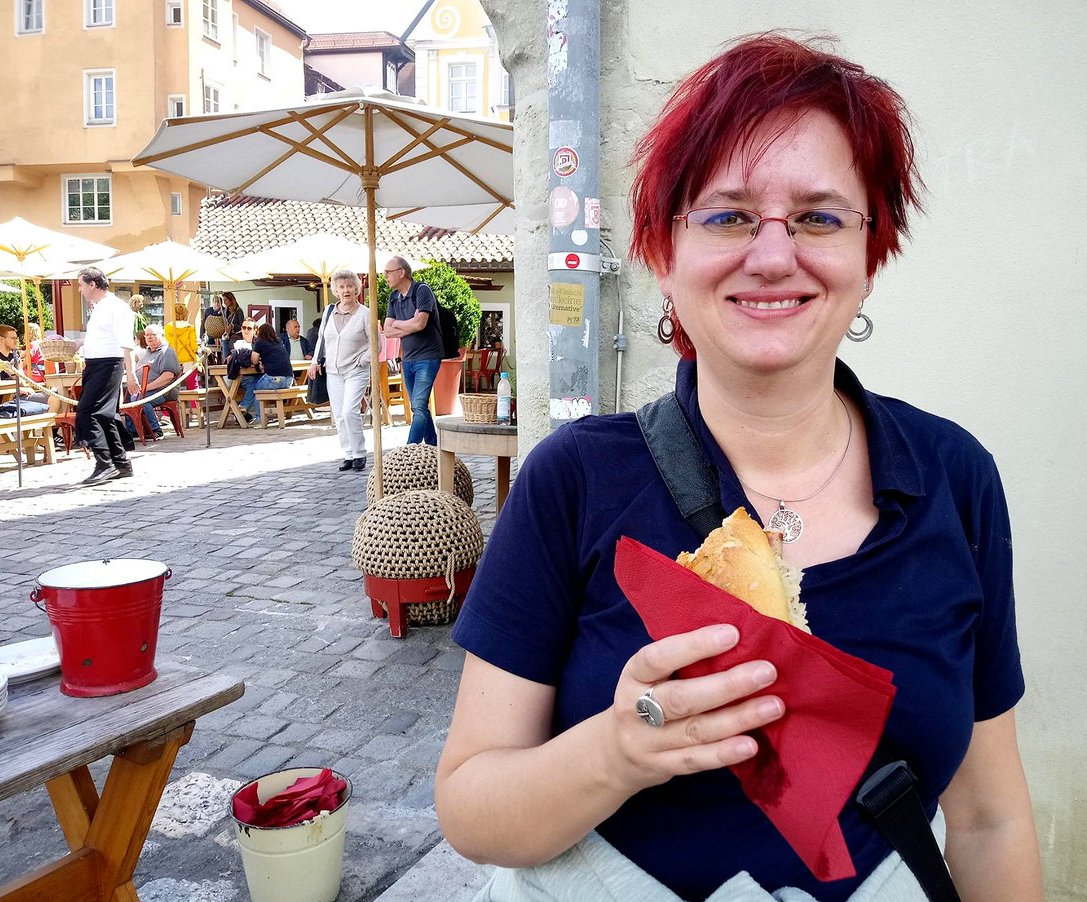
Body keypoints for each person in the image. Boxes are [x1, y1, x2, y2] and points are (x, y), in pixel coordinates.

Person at [435, 34, 1042, 901]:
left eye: (820, 217)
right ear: (662, 253)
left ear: (870, 257)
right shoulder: (574, 480)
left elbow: (990, 819)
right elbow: (469, 810)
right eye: (726, 216)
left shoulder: (954, 476)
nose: (771, 253)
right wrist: (617, 750)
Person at [75, 267, 137, 484]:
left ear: (92, 284)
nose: (80, 290)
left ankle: (105, 464)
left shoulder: (115, 307)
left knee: (87, 412)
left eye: (81, 285)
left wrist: (131, 375)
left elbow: (126, 343)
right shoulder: (101, 307)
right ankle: (121, 463)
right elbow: (104, 338)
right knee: (105, 415)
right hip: (97, 364)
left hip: (109, 365)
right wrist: (80, 343)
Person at [307, 269, 371, 471]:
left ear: (356, 289)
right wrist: (315, 361)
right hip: (333, 371)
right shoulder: (328, 312)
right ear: (336, 290)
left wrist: (363, 359)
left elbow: (376, 344)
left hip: (356, 370)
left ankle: (360, 453)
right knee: (339, 414)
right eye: (342, 287)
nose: (346, 290)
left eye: (350, 286)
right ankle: (349, 453)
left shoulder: (365, 314)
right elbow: (322, 339)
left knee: (349, 410)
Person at [381, 256, 442, 445]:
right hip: (407, 359)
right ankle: (433, 445)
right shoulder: (394, 298)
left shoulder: (422, 291)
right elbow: (388, 331)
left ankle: (409, 449)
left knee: (418, 405)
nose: (385, 277)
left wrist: (399, 325)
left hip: (428, 357)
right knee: (420, 406)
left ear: (401, 272)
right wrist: (408, 324)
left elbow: (421, 324)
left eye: (388, 272)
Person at [125, 326, 181, 440]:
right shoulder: (148, 352)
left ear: (161, 336)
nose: (149, 337)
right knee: (126, 400)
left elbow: (168, 376)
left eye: (153, 334)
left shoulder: (167, 352)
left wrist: (147, 387)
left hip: (164, 390)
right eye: (147, 335)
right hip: (145, 389)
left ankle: (156, 430)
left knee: (142, 400)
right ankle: (134, 430)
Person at [242, 322, 295, 424]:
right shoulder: (278, 341)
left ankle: (259, 419)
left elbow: (254, 360)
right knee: (259, 382)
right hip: (289, 379)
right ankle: (244, 406)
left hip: (275, 379)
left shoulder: (260, 342)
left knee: (257, 390)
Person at [165, 301, 200, 389]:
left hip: (173, 359)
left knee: (173, 386)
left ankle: (177, 403)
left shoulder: (168, 328)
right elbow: (194, 347)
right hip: (188, 359)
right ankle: (194, 403)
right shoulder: (190, 328)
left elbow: (166, 344)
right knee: (192, 385)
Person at [220, 292, 244, 358]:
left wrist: (233, 327)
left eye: (226, 300)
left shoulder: (239, 311)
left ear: (231, 300)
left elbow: (242, 326)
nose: (224, 302)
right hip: (226, 338)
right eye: (223, 300)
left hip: (235, 339)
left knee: (233, 358)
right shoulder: (225, 311)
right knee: (226, 357)